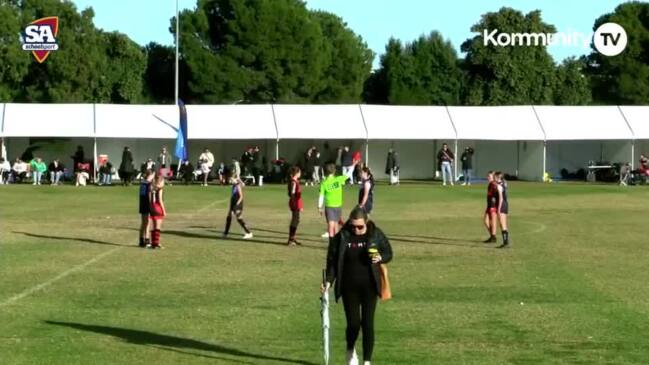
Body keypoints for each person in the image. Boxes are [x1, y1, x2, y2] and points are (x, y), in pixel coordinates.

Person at [322, 207, 393, 365]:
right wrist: (328, 281)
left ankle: (367, 361)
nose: (356, 229)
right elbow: (333, 260)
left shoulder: (375, 234)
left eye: (360, 226)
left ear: (366, 222)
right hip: (349, 287)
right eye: (353, 226)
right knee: (353, 324)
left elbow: (388, 252)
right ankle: (350, 349)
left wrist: (381, 258)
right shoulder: (343, 236)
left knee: (368, 323)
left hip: (370, 286)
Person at [319, 163, 350, 239]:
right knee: (335, 225)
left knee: (331, 224)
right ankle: (335, 242)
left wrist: (319, 207)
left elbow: (321, 196)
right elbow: (348, 174)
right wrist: (353, 165)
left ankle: (333, 242)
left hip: (329, 206)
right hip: (338, 206)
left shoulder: (324, 183)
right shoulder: (338, 179)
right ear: (334, 171)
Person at [223, 175, 253, 239]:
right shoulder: (234, 185)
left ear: (235, 179)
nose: (230, 181)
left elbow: (241, 196)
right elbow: (243, 185)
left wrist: (237, 205)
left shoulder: (238, 185)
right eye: (230, 179)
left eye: (232, 179)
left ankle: (249, 233)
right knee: (229, 217)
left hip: (238, 203)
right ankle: (225, 233)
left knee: (239, 218)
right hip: (233, 202)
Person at [148, 175, 167, 249]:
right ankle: (156, 243)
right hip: (158, 208)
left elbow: (149, 200)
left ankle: (153, 243)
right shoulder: (160, 189)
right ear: (160, 181)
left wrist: (150, 207)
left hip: (152, 207)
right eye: (163, 182)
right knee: (158, 227)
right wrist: (164, 210)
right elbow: (160, 200)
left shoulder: (151, 188)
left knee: (153, 226)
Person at [138, 170, 155, 247]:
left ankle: (142, 240)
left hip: (142, 203)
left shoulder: (143, 182)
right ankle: (146, 240)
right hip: (146, 204)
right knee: (147, 222)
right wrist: (151, 205)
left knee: (144, 223)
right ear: (149, 176)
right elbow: (149, 195)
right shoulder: (148, 184)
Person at [287, 166, 303, 246]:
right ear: (296, 173)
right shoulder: (293, 182)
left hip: (297, 202)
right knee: (295, 220)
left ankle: (292, 238)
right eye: (299, 172)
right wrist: (294, 203)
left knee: (296, 220)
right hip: (295, 203)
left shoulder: (295, 181)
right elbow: (293, 193)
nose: (300, 173)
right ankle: (291, 239)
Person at [494, 171, 510, 248]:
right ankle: (506, 242)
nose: (494, 178)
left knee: (502, 224)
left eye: (495, 177)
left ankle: (505, 243)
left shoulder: (498, 186)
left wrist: (498, 208)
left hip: (502, 204)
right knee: (504, 224)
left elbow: (500, 198)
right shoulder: (504, 183)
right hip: (506, 204)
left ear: (498, 177)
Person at [483, 171, 498, 243]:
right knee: (486, 221)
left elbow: (496, 195)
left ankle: (493, 237)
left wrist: (494, 205)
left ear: (493, 177)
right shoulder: (490, 184)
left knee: (492, 221)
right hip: (489, 205)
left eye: (489, 176)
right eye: (487, 176)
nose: (487, 177)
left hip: (493, 206)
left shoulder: (494, 184)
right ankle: (492, 236)